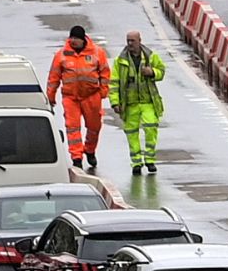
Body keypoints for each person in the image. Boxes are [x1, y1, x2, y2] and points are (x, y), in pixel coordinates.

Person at [47, 25, 112, 169]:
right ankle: (76, 157)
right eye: (72, 38)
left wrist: (103, 92)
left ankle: (90, 150)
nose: (73, 41)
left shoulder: (97, 53)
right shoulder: (61, 55)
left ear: (83, 39)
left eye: (76, 38)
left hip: (91, 96)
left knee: (94, 127)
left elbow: (105, 73)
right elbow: (53, 78)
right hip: (70, 98)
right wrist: (50, 97)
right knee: (72, 128)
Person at [110, 31, 166, 175]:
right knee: (131, 132)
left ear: (140, 41)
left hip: (148, 101)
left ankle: (150, 160)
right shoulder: (120, 61)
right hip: (130, 104)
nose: (130, 43)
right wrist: (115, 102)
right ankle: (136, 162)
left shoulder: (150, 56)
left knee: (151, 127)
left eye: (133, 41)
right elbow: (114, 83)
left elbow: (161, 71)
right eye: (128, 40)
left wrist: (152, 72)